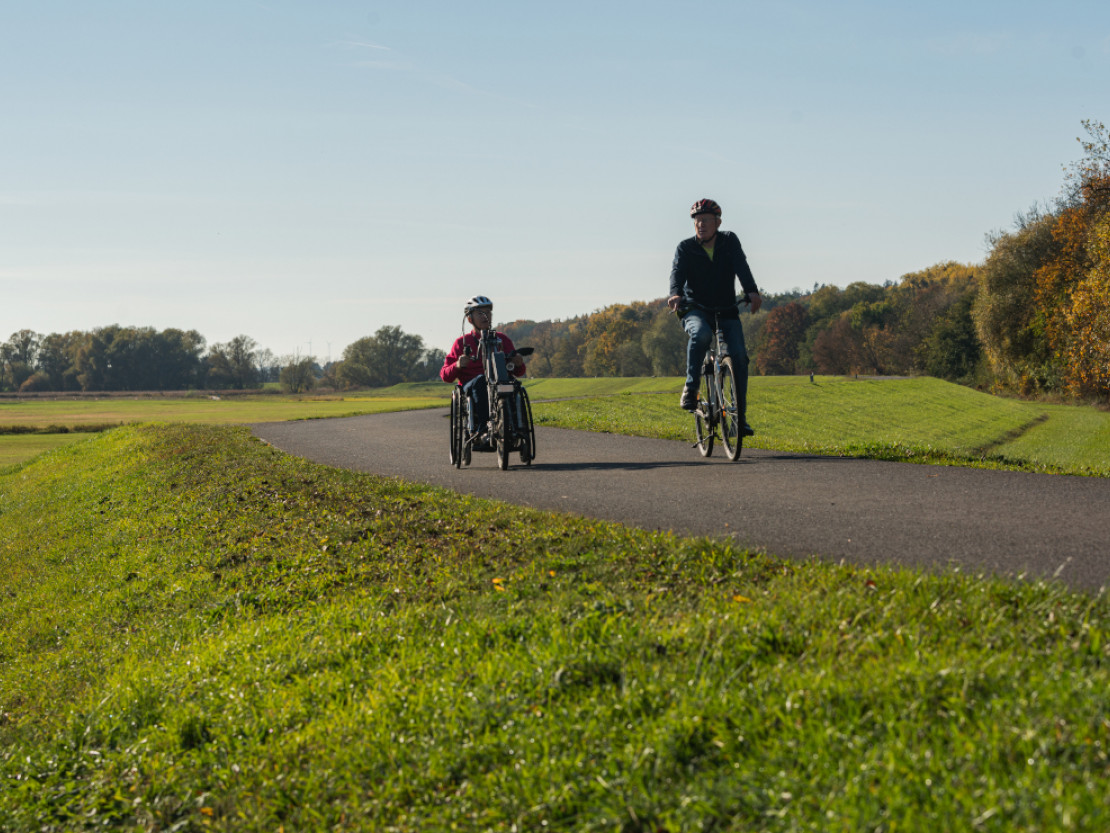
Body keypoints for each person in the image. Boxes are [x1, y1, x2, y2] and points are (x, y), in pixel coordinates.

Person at [667, 197, 763, 432]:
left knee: (738, 357)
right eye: (698, 221)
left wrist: (751, 291)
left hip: (726, 309)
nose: (701, 225)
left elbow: (741, 265)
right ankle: (691, 389)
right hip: (695, 309)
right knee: (699, 336)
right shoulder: (686, 247)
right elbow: (677, 272)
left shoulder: (729, 242)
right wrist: (675, 293)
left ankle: (739, 419)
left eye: (706, 220)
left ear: (718, 223)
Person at [440, 295, 526, 445]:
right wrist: (458, 365)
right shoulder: (461, 343)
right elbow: (445, 375)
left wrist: (518, 362)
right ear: (470, 319)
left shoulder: (502, 340)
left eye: (488, 312)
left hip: (499, 380)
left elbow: (519, 372)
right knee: (481, 381)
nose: (486, 316)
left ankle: (517, 429)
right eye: (480, 313)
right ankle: (482, 430)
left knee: (514, 386)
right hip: (473, 385)